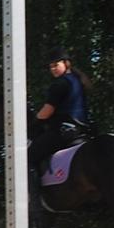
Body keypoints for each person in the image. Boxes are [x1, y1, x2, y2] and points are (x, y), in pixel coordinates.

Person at [28, 47, 93, 191]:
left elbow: (47, 111)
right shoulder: (78, 81)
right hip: (81, 131)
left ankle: (34, 205)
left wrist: (34, 123)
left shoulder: (60, 83)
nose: (53, 69)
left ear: (66, 63)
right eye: (51, 67)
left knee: (28, 157)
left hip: (63, 132)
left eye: (56, 65)